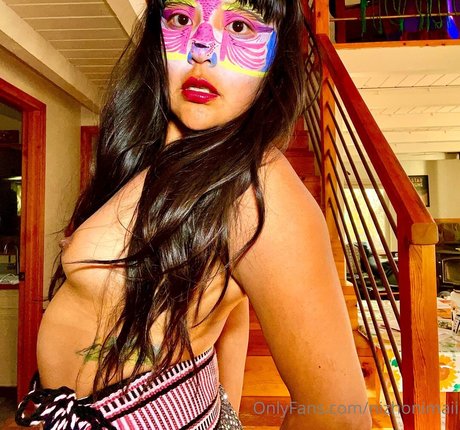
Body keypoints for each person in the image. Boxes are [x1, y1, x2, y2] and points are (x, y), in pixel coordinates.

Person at [16, 0, 371, 428]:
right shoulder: (154, 158)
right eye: (182, 18)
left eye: (239, 27)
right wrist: (226, 414)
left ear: (278, 57)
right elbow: (230, 306)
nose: (202, 48)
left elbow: (339, 416)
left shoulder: (259, 186)